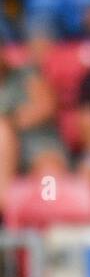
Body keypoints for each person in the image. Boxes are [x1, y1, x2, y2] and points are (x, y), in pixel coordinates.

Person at [0, 51, 68, 211]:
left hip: (38, 143)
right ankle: (5, 208)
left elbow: (46, 106)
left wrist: (12, 121)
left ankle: (50, 221)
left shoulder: (26, 74)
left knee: (50, 176)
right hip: (4, 149)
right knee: (2, 133)